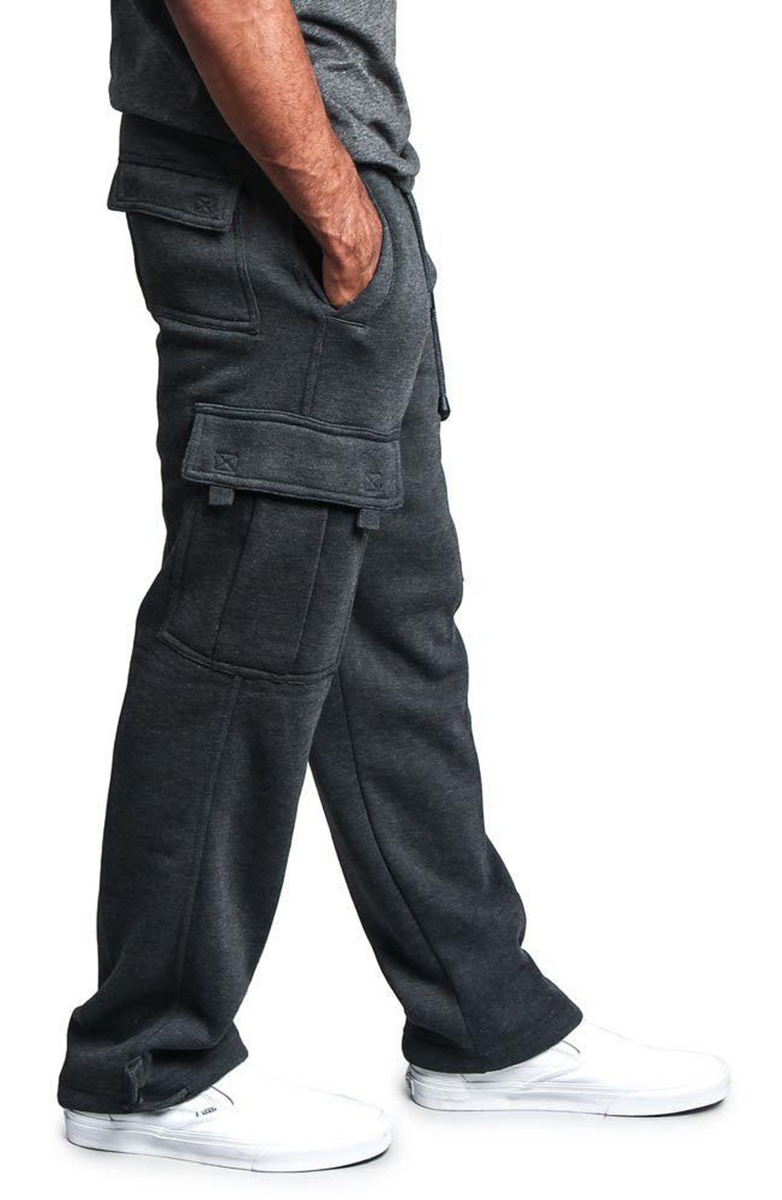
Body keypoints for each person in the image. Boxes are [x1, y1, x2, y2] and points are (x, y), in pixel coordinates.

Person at [58, 0, 729, 1173]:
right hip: (271, 191)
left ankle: (483, 1021)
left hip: (330, 193)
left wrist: (361, 213)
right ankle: (147, 1062)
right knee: (241, 632)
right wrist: (334, 206)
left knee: (391, 629)